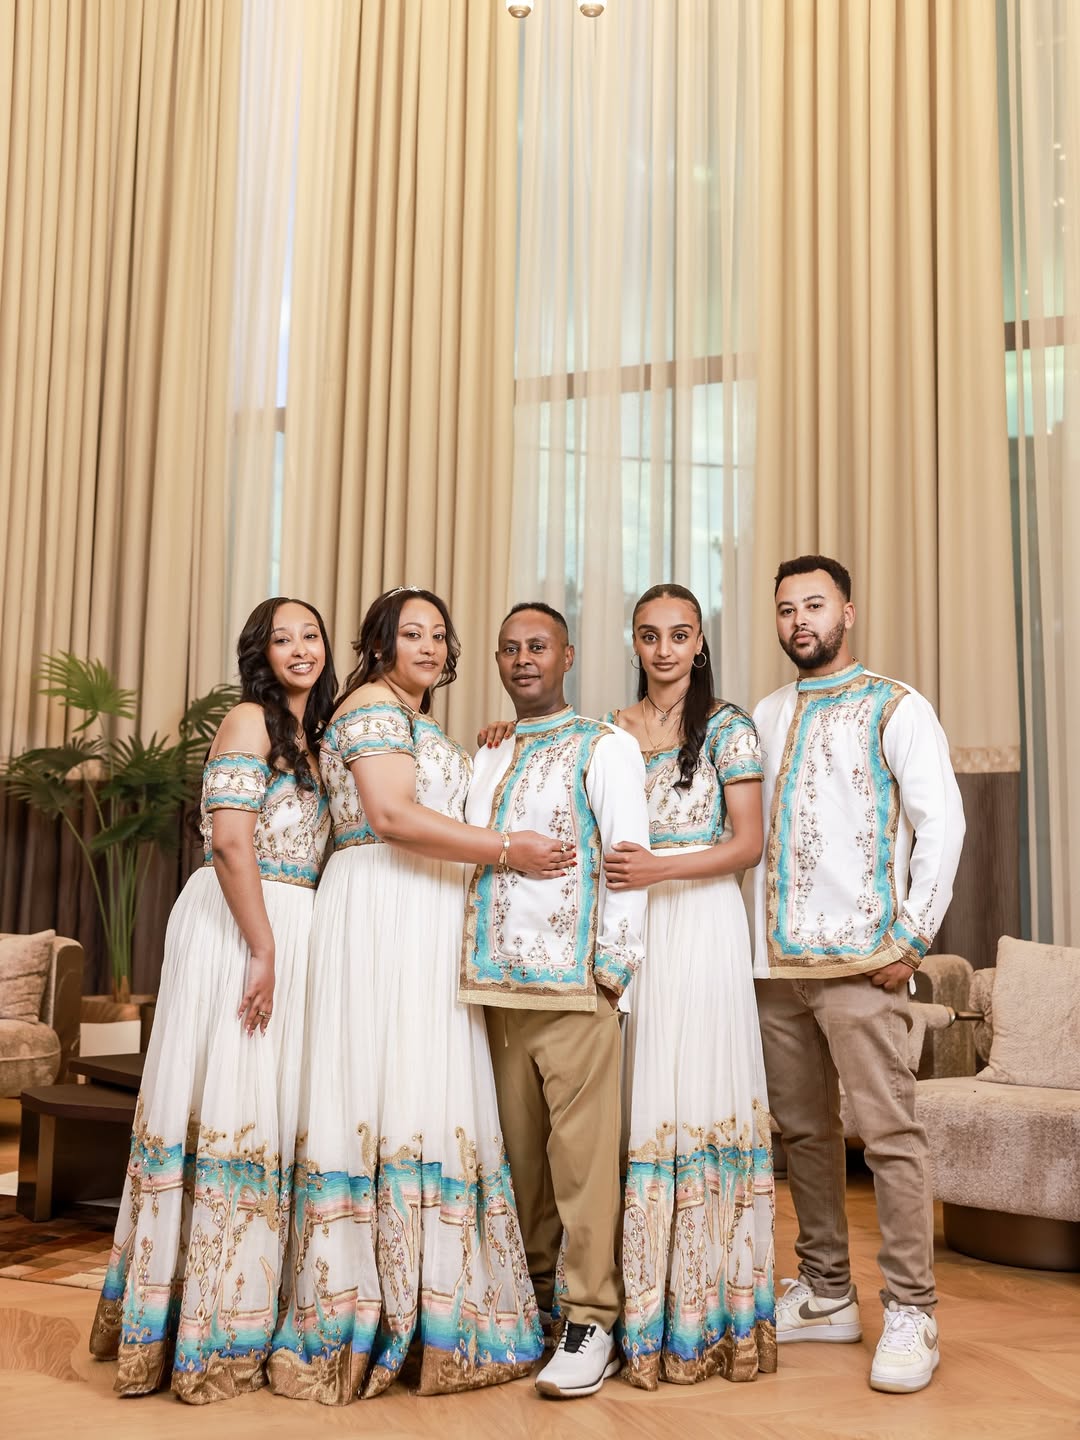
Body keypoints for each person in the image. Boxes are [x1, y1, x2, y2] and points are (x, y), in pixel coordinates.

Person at [268, 587, 568, 1403]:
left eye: (441, 634)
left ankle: (435, 1299)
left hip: (428, 910)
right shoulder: (370, 706)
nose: (431, 646)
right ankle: (378, 1300)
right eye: (412, 633)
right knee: (389, 1087)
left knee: (428, 1089)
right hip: (382, 906)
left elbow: (436, 795)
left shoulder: (418, 720)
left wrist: (492, 753)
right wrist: (509, 850)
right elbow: (393, 816)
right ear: (379, 642)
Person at [89, 597, 337, 1402]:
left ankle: (242, 1306)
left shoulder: (321, 733)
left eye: (311, 634)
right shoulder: (247, 722)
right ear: (259, 655)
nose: (300, 648)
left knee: (269, 1111)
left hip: (293, 923)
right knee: (230, 1106)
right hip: (241, 921)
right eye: (282, 638)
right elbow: (229, 837)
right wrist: (263, 946)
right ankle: (197, 1332)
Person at [752, 554, 965, 1395]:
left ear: (848, 611)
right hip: (774, 965)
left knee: (888, 1137)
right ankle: (828, 1294)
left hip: (867, 965)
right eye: (786, 608)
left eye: (815, 604)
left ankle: (912, 1308)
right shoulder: (765, 715)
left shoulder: (897, 705)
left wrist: (912, 937)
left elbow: (940, 823)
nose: (799, 620)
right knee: (803, 1137)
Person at [460, 601, 650, 1401]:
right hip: (491, 991)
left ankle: (590, 1316)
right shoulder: (489, 754)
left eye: (538, 646)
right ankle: (538, 1302)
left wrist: (613, 971)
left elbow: (628, 856)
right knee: (522, 1165)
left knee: (581, 1164)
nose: (523, 659)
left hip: (575, 990)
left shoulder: (605, 745)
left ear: (568, 656)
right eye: (509, 649)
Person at [601, 583, 776, 1389]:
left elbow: (747, 845)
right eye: (649, 635)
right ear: (633, 644)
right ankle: (641, 1310)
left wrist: (661, 867)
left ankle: (712, 1315)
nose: (664, 648)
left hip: (702, 924)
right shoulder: (609, 732)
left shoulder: (728, 728)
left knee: (701, 1092)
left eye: (679, 635)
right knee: (642, 1101)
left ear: (699, 642)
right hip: (638, 929)